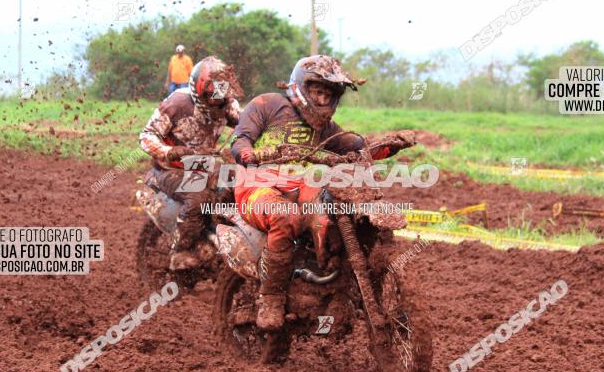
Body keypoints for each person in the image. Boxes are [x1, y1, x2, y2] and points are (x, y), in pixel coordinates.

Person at [230, 55, 410, 330]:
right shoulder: (268, 104)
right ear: (302, 87)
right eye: (317, 91)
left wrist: (389, 146)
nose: (323, 99)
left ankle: (332, 278)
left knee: (337, 211)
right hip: (258, 184)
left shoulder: (327, 130)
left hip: (304, 184)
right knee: (285, 216)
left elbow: (358, 149)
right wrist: (247, 152)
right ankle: (271, 298)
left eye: (329, 94)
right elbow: (240, 136)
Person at [141, 56, 242, 270]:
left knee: (238, 182)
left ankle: (223, 238)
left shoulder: (228, 105)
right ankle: (181, 251)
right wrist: (169, 151)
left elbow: (247, 125)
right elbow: (146, 136)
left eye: (220, 96)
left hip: (202, 165)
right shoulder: (176, 103)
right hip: (170, 168)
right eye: (211, 96)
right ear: (199, 90)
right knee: (198, 197)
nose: (215, 101)